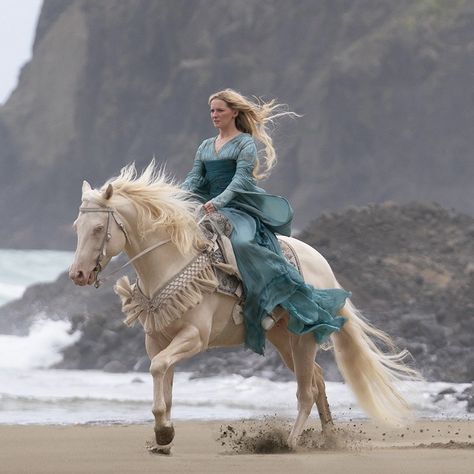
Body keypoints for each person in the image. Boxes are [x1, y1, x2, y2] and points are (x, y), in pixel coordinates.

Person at [181, 89, 350, 355]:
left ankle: (267, 302)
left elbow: (240, 181)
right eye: (212, 111)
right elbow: (194, 178)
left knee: (244, 243)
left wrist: (220, 202)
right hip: (207, 206)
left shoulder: (244, 144)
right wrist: (175, 198)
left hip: (239, 206)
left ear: (234, 112)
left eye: (220, 110)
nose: (214, 115)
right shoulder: (205, 145)